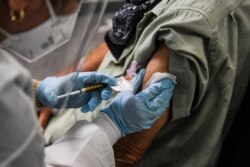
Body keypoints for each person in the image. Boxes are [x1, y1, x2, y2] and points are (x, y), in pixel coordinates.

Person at [42, 0, 250, 166]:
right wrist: (57, 83)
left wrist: (111, 125)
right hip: (58, 138)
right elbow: (127, 34)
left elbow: (124, 154)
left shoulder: (188, 25)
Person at [0, 0, 176, 166]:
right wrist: (112, 125)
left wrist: (35, 93)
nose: (74, 12)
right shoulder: (7, 102)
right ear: (18, 2)